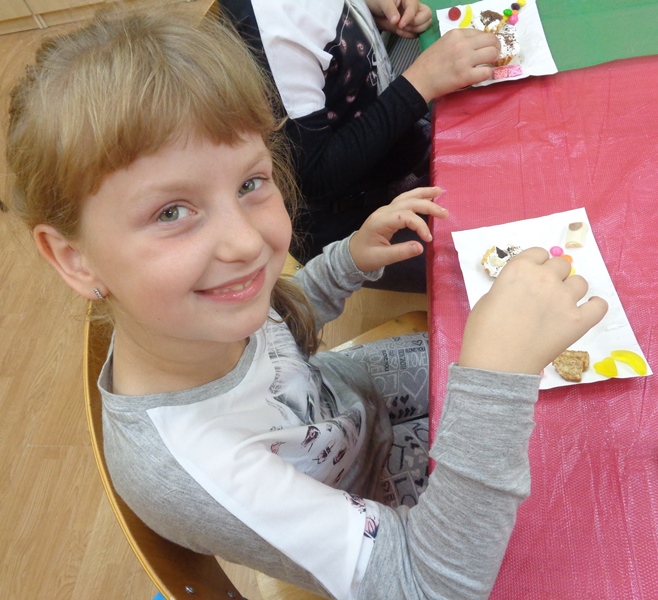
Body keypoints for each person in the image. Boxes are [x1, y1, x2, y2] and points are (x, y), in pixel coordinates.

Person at [6, 8, 607, 600]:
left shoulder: (191, 316)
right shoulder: (194, 470)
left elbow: (283, 323)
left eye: (250, 183)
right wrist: (493, 381)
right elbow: (430, 587)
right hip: (392, 522)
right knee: (595, 495)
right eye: (172, 212)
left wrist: (347, 260)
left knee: (591, 382)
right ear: (75, 259)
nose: (247, 244)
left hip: (362, 398)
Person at [221, 0, 501, 291]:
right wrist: (421, 82)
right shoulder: (271, 32)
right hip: (358, 222)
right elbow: (315, 175)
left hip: (401, 147)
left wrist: (365, 14)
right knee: (495, 262)